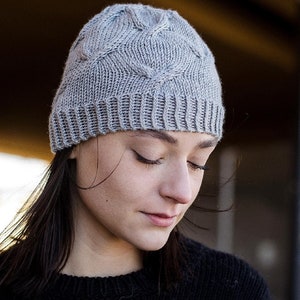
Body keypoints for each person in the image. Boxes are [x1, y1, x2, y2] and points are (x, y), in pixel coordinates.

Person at [0, 3, 271, 299]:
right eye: (149, 155)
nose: (181, 192)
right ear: (76, 138)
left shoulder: (231, 288)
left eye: (198, 163)